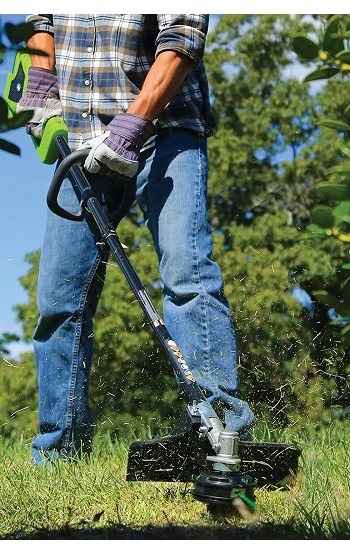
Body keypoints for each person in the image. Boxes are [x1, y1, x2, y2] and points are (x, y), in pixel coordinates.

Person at [18, 14, 255, 464]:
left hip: (163, 130)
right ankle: (58, 453)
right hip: (81, 142)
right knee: (59, 301)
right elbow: (41, 21)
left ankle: (218, 431)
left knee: (187, 272)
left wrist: (135, 119)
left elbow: (183, 36)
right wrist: (42, 77)